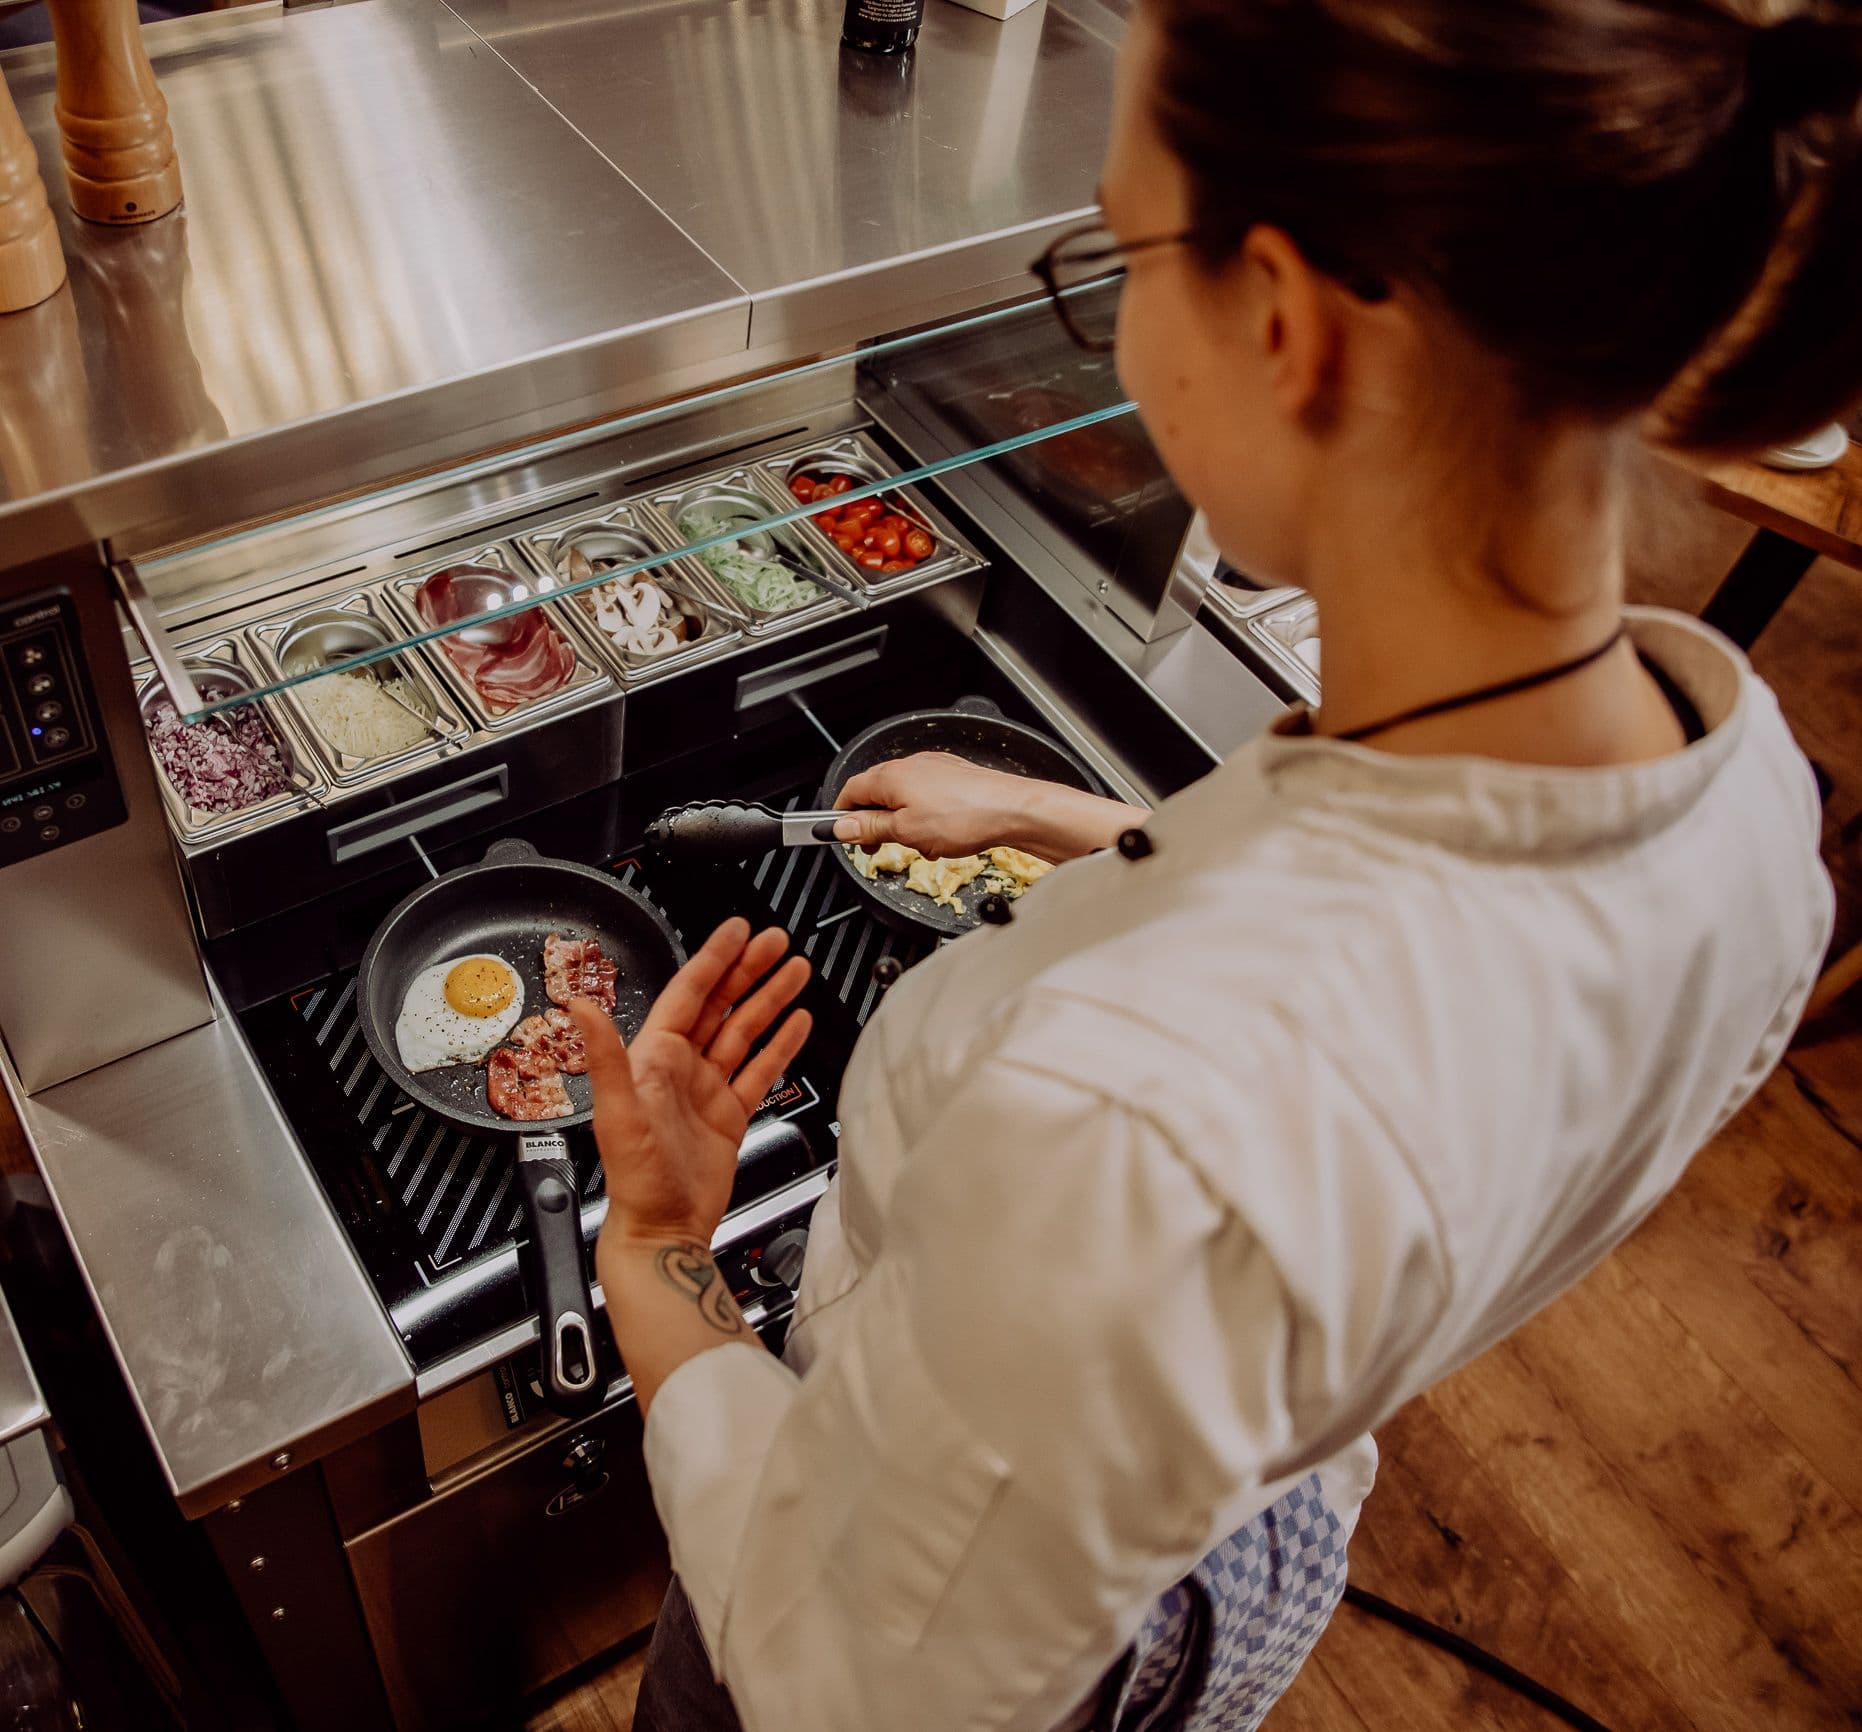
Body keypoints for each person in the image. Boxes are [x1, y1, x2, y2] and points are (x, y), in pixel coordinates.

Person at [566, 1, 1857, 1726]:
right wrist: (1067, 826)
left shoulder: (1122, 1146)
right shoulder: (1748, 795)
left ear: (1282, 321)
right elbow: (1431, 950)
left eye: (1117, 255)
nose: (1109, 333)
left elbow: (835, 1675)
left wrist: (658, 1258)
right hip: (1252, 1513)